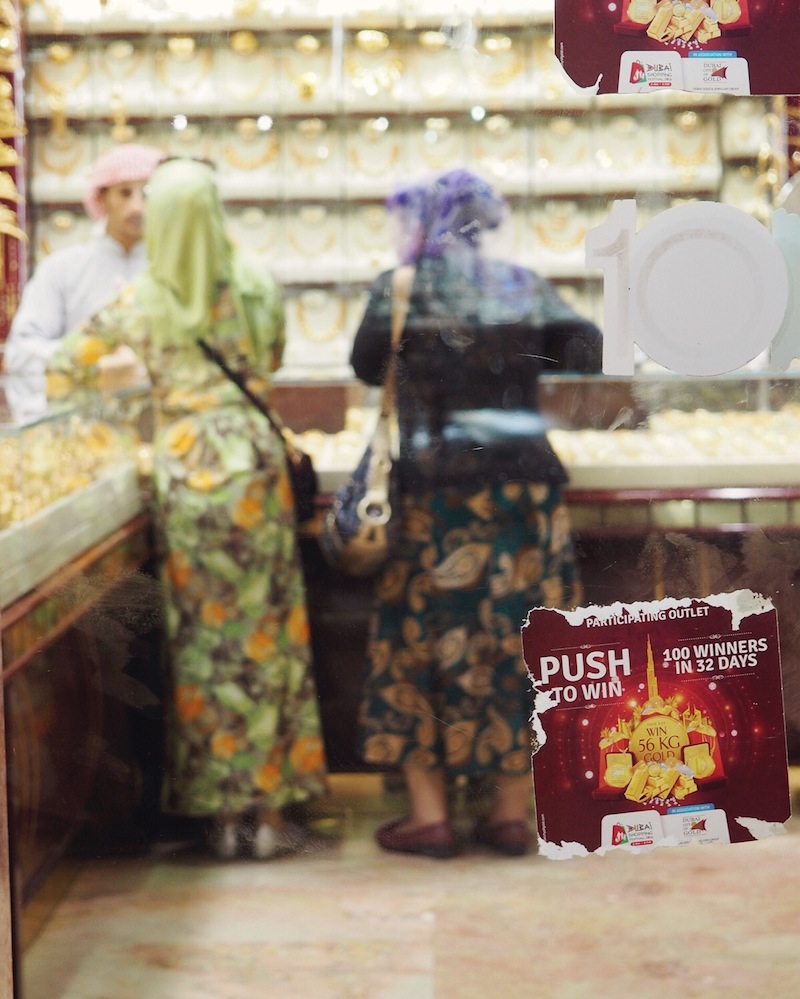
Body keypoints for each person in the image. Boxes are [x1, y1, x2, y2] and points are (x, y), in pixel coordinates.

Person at [48, 159, 327, 859]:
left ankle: (219, 818)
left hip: (187, 469)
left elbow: (64, 368)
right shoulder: (257, 281)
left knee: (205, 647)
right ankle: (270, 812)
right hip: (254, 467)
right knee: (270, 640)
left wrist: (141, 390)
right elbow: (275, 355)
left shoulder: (143, 298)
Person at [350, 168, 603, 858]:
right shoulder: (521, 284)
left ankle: (430, 814)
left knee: (417, 647)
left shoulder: (398, 288)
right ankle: (508, 813)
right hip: (525, 495)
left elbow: (366, 367)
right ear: (490, 223)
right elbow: (589, 349)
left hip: (436, 498)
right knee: (522, 648)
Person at [3, 142, 165, 419]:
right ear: (102, 199)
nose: (137, 207)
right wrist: (91, 363)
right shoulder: (62, 269)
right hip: (81, 425)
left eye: (147, 194)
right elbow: (20, 353)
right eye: (125, 193)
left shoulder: (174, 269)